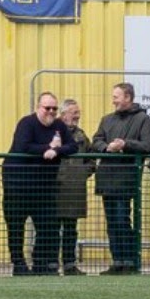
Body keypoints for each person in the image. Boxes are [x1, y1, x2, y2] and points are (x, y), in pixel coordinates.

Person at [5, 92, 76, 275]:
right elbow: (23, 146)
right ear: (38, 107)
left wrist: (57, 150)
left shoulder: (59, 125)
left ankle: (40, 263)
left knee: (47, 227)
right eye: (47, 108)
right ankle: (19, 264)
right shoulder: (26, 124)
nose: (51, 112)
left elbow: (73, 146)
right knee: (16, 226)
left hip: (44, 187)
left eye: (54, 108)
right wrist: (47, 148)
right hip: (18, 186)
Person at [91, 83, 150, 274]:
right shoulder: (106, 119)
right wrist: (106, 147)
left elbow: (148, 145)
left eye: (116, 96)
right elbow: (96, 141)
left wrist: (125, 144)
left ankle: (129, 260)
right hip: (106, 179)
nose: (113, 100)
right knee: (112, 222)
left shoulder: (143, 119)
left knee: (121, 220)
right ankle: (117, 260)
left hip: (126, 179)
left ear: (128, 97)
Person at [52, 99, 95, 275]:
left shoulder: (81, 136)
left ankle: (70, 264)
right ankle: (50, 263)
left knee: (71, 229)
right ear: (63, 114)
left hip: (75, 189)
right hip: (55, 187)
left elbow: (92, 158)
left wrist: (83, 172)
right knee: (52, 227)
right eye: (74, 112)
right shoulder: (52, 133)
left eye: (78, 112)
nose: (77, 116)